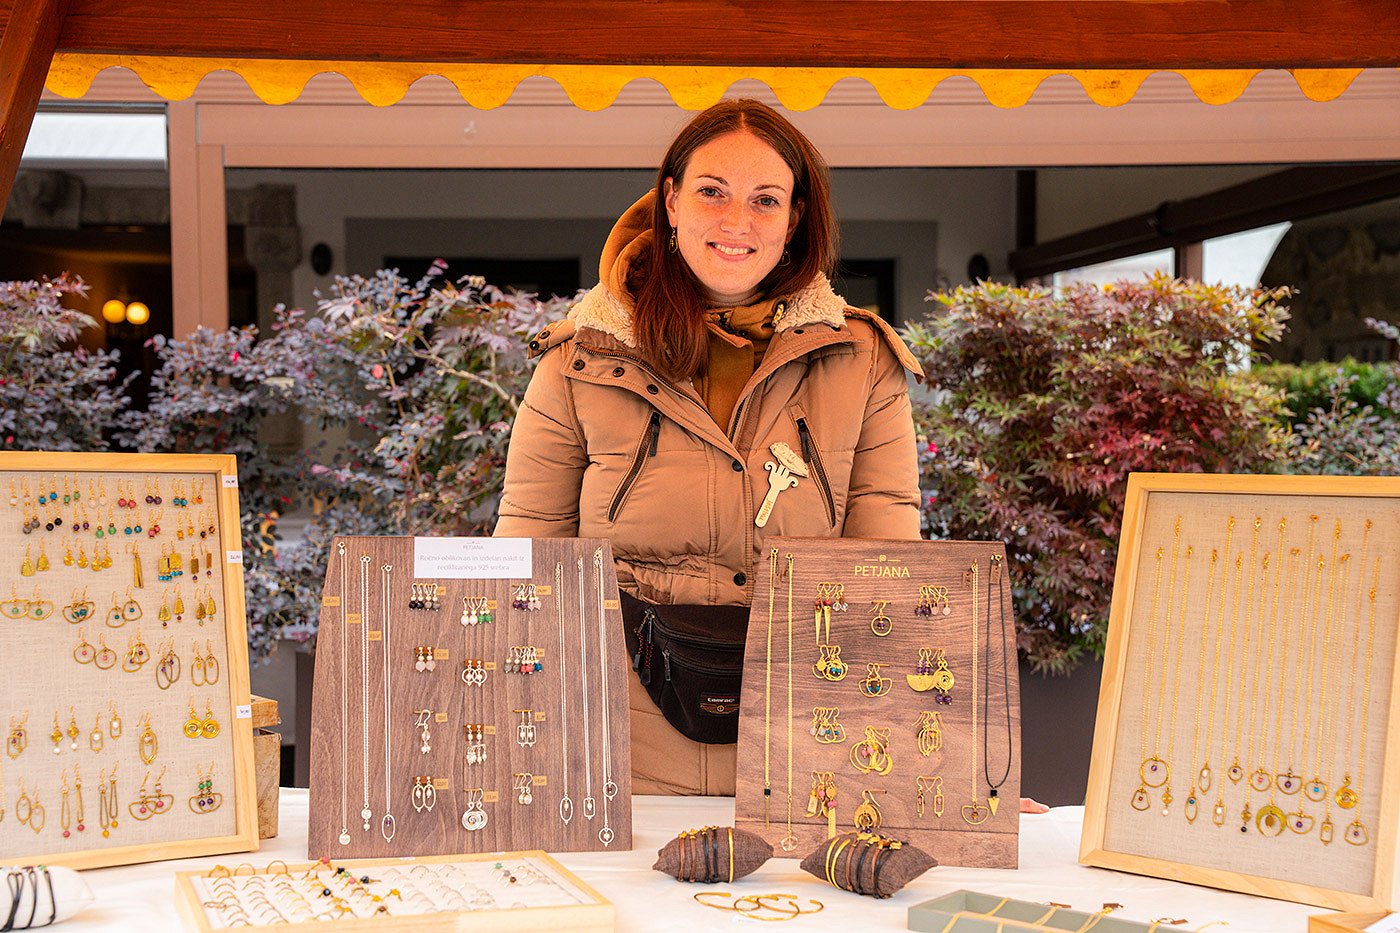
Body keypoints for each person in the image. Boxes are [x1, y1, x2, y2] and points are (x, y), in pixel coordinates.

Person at [495, 99, 1047, 814]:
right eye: (712, 191)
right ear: (670, 202)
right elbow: (526, 559)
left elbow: (889, 572)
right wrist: (507, 746)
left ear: (794, 220)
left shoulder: (861, 360)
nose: (737, 221)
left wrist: (940, 762)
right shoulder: (579, 361)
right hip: (612, 754)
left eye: (765, 199)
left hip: (804, 756)